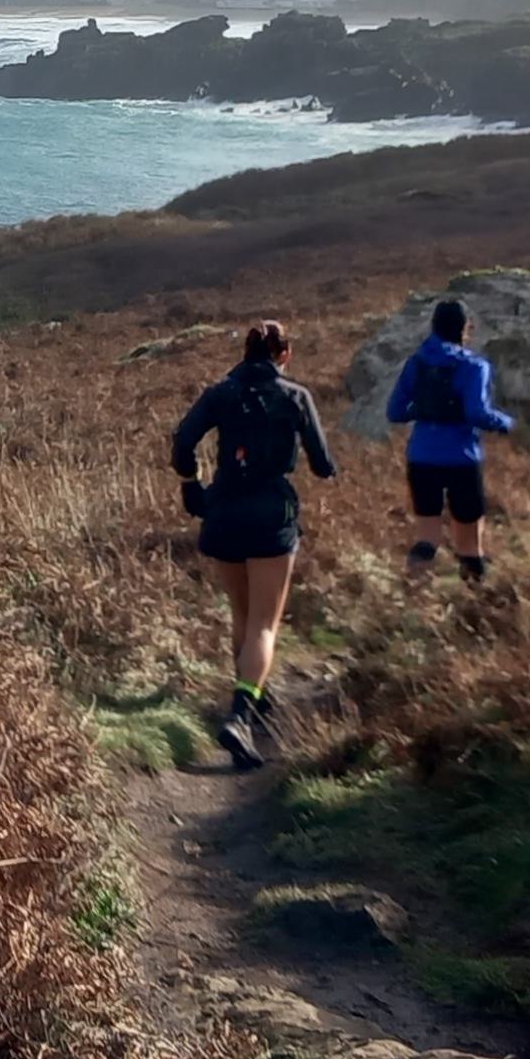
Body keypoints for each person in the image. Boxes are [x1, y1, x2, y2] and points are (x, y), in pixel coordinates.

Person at [170, 320, 336, 771]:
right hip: (271, 514)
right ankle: (241, 715)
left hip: (223, 510)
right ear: (285, 355)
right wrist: (327, 466)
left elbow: (182, 442)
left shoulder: (220, 393)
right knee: (265, 623)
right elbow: (321, 464)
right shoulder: (296, 396)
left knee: (241, 614)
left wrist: (192, 485)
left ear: (245, 353)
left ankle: (255, 697)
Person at [384, 295, 514, 582]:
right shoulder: (474, 366)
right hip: (462, 457)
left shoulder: (416, 364)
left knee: (427, 536)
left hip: (422, 457)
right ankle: (475, 601)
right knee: (470, 542)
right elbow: (477, 413)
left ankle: (415, 592)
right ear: (465, 328)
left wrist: (423, 408)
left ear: (433, 327)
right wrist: (506, 424)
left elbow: (394, 412)